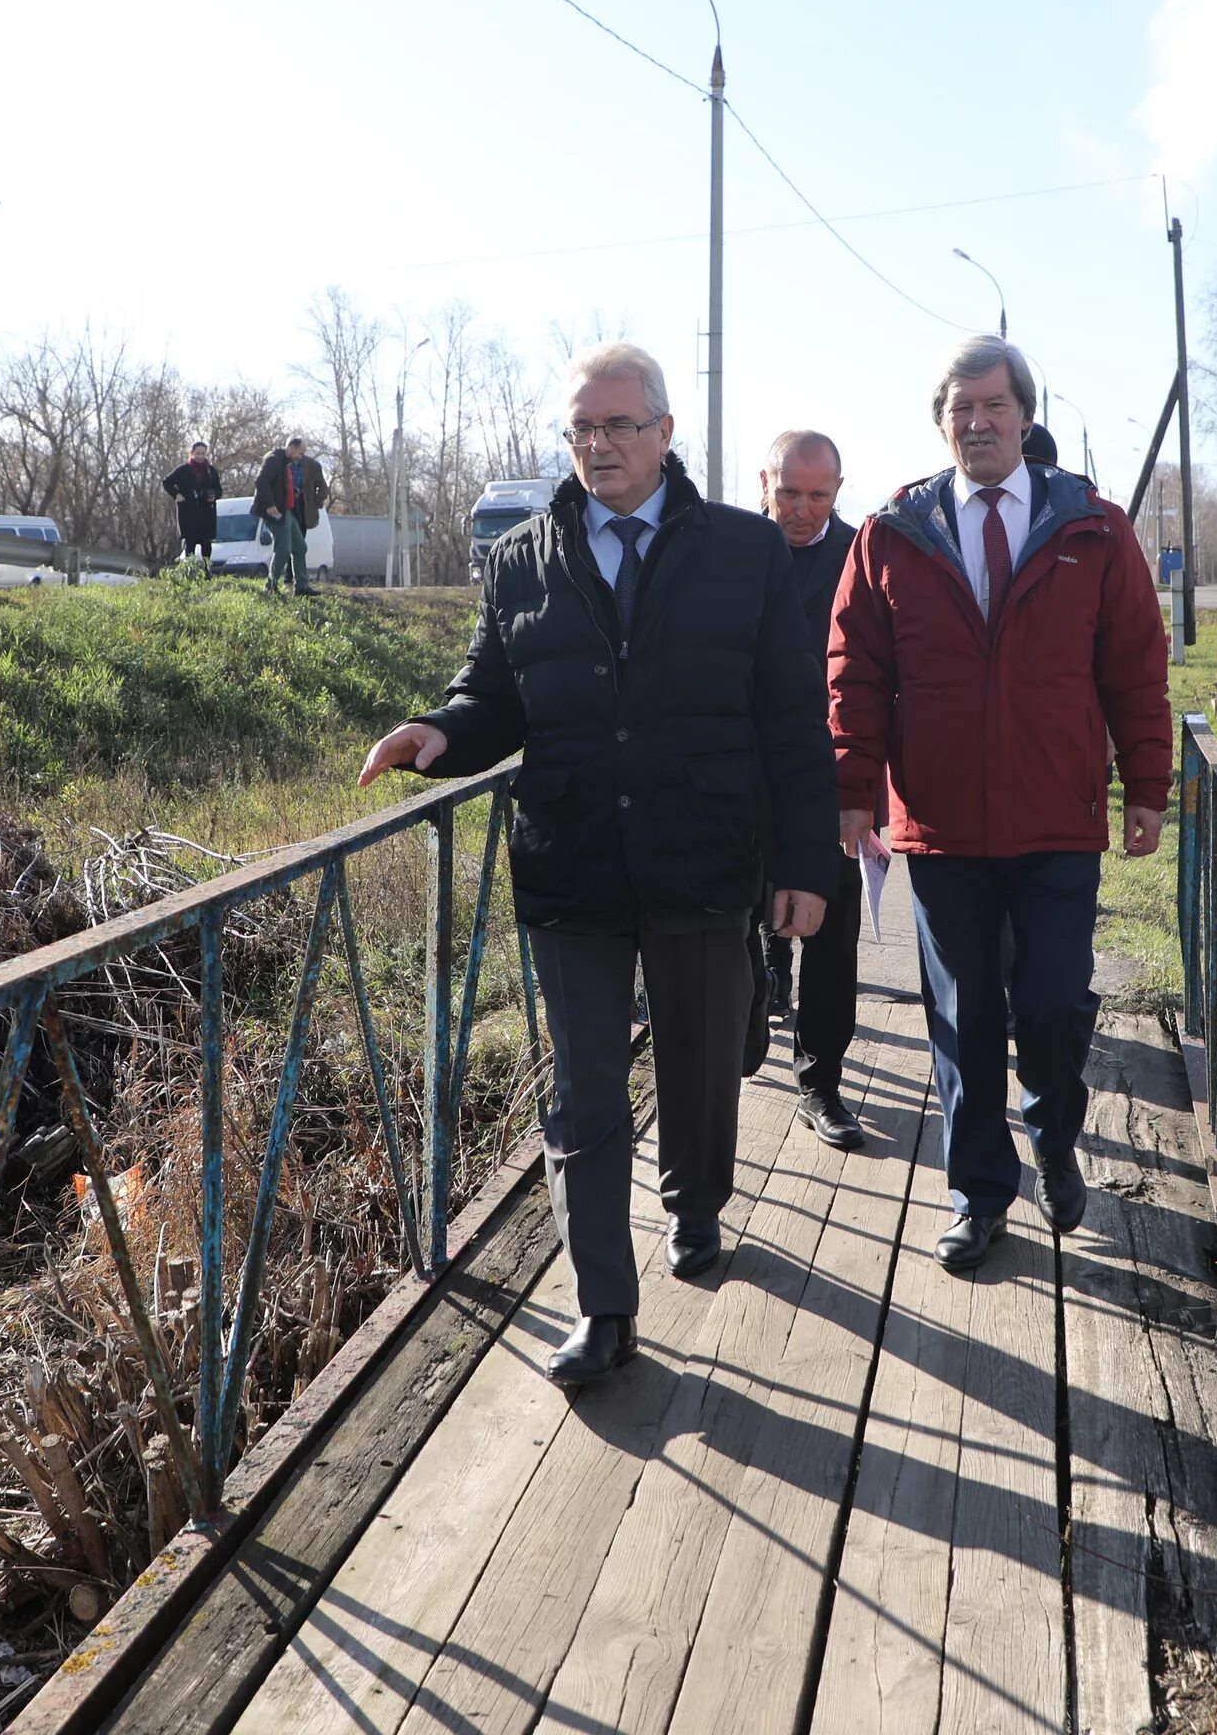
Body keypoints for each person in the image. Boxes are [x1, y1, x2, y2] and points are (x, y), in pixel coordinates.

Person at [358, 343, 834, 1387]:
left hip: (704, 853)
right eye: (581, 428)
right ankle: (603, 1304)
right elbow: (493, 692)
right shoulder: (521, 555)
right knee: (582, 1093)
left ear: (667, 434)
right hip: (572, 859)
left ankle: (697, 1197)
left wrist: (804, 860)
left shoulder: (746, 553)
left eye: (619, 426)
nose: (598, 445)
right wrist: (439, 732)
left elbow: (796, 721)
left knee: (703, 1061)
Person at [830, 336, 1172, 1273]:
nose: (976, 424)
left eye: (993, 407)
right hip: (939, 826)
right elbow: (854, 673)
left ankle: (1055, 1134)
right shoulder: (892, 535)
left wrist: (1148, 785)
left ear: (1025, 415)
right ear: (941, 424)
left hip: (1057, 817)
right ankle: (978, 1194)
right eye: (959, 410)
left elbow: (1136, 667)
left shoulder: (1093, 530)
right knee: (963, 1016)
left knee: (1055, 1004)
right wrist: (854, 791)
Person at [753, 428, 866, 1153]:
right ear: (765, 482)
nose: (802, 509)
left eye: (818, 495)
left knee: (835, 929)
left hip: (832, 774)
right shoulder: (728, 551)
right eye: (788, 492)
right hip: (744, 770)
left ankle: (821, 1079)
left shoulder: (862, 553)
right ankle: (760, 992)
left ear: (836, 492)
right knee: (745, 912)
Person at [250, 436, 327, 595]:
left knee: (300, 547)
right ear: (291, 448)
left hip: (288, 511)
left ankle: (302, 587)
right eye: (300, 452)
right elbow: (260, 481)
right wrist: (270, 504)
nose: (301, 456)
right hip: (275, 511)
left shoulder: (288, 463)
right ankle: (271, 586)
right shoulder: (273, 460)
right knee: (283, 550)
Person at [165, 441, 222, 571]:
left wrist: (214, 496)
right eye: (197, 453)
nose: (200, 456)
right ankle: (189, 571)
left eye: (203, 453)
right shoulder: (183, 469)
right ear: (192, 453)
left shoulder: (211, 470)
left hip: (206, 513)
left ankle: (207, 570)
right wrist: (176, 495)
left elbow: (218, 489)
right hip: (188, 514)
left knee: (206, 543)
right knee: (190, 543)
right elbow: (166, 482)